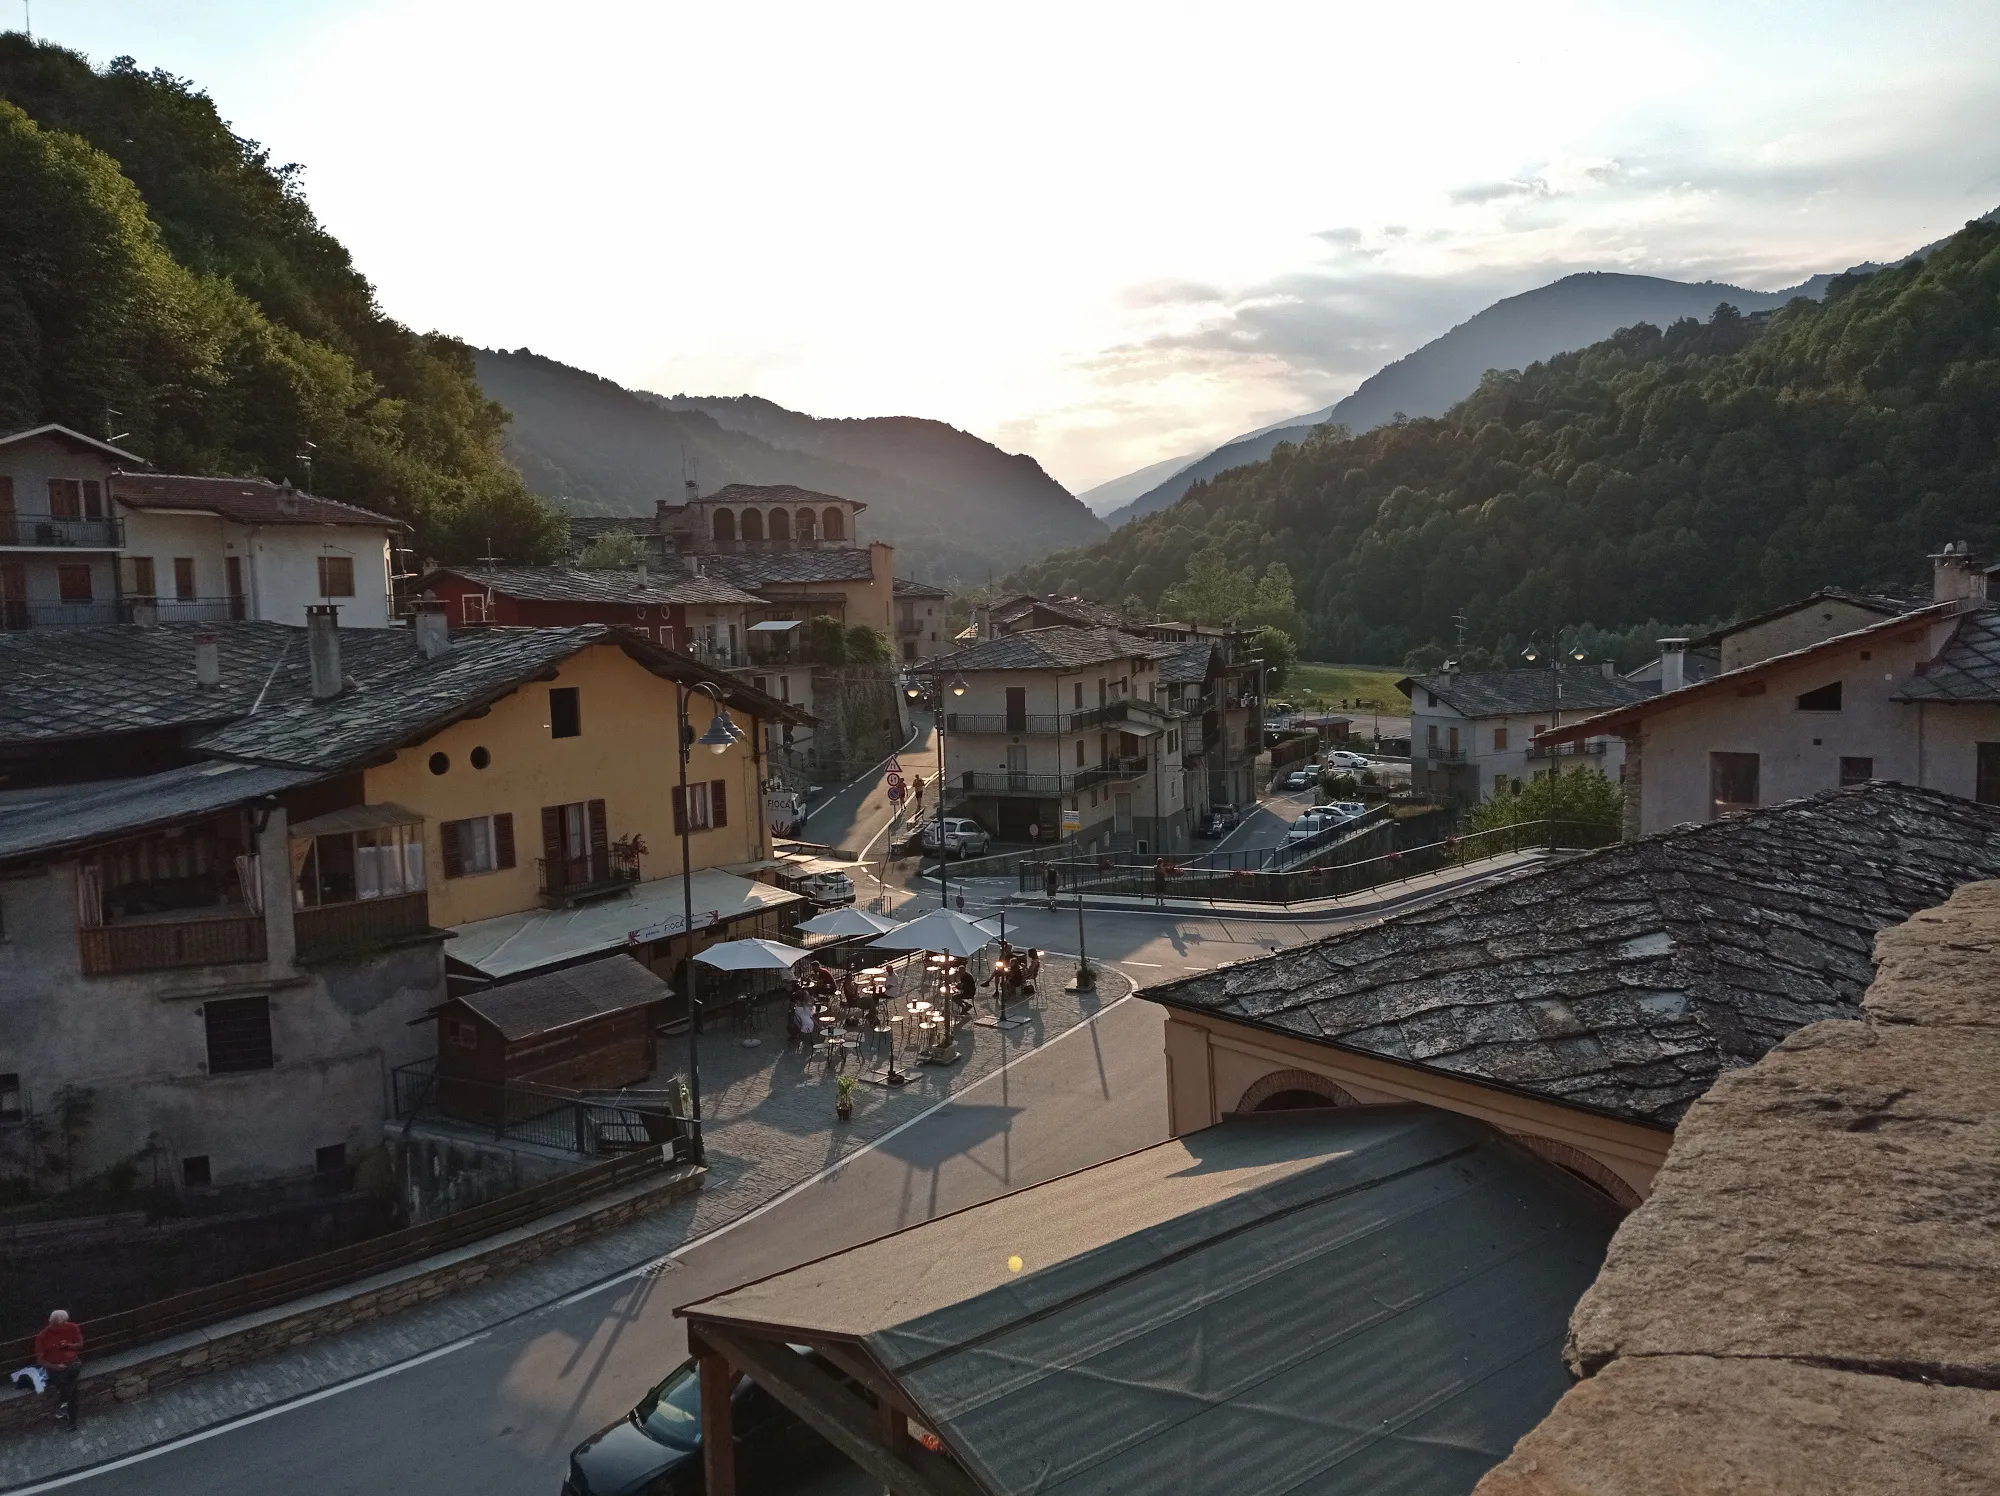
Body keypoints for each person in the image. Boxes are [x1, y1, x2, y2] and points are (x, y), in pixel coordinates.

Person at [36, 1310, 82, 1430]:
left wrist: (68, 1345)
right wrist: (55, 1366)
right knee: (72, 1386)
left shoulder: (72, 1327)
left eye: (58, 1324)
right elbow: (41, 1361)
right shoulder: (42, 1336)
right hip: (55, 1368)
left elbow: (80, 1344)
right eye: (52, 1323)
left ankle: (62, 1405)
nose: (53, 1326)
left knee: (74, 1368)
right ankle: (71, 1421)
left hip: (72, 1364)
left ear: (63, 1322)